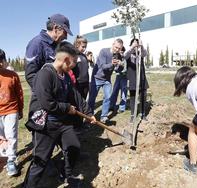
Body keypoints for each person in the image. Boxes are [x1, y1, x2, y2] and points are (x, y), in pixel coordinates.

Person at [23, 41, 96, 187]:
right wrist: (67, 107)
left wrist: (88, 113)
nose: (75, 64)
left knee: (73, 147)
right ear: (67, 60)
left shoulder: (65, 75)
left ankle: (66, 175)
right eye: (74, 61)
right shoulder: (45, 74)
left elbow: (75, 96)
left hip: (62, 123)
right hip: (46, 125)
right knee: (41, 161)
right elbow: (47, 103)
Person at [25, 13, 73, 88]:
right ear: (56, 28)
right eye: (65, 32)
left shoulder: (57, 45)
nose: (66, 37)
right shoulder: (36, 44)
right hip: (47, 95)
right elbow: (31, 76)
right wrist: (47, 92)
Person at [88, 38, 123, 123]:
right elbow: (103, 66)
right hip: (97, 78)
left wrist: (120, 65)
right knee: (92, 98)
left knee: (108, 97)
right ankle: (89, 115)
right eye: (116, 47)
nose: (117, 50)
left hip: (107, 80)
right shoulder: (103, 51)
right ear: (113, 44)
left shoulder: (118, 55)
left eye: (119, 48)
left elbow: (117, 70)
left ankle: (103, 117)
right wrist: (112, 64)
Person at [0, 49, 23, 176]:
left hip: (11, 110)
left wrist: (20, 109)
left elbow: (19, 94)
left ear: (4, 61)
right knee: (2, 138)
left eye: (1, 61)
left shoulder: (12, 75)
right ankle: (4, 156)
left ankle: (11, 160)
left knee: (11, 135)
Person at [124, 38, 149, 123]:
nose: (136, 45)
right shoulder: (128, 53)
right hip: (132, 78)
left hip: (141, 78)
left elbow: (145, 54)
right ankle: (132, 115)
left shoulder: (141, 53)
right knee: (133, 97)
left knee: (143, 96)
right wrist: (132, 48)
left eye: (137, 44)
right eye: (134, 44)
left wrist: (141, 46)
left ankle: (143, 113)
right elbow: (125, 56)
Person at [109, 46, 128, 113]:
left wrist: (121, 64)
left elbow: (126, 69)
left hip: (124, 77)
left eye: (122, 52)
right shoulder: (116, 57)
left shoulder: (126, 58)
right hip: (118, 76)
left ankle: (122, 108)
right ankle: (111, 106)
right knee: (114, 91)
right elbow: (115, 69)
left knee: (123, 92)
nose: (121, 53)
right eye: (120, 51)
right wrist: (116, 65)